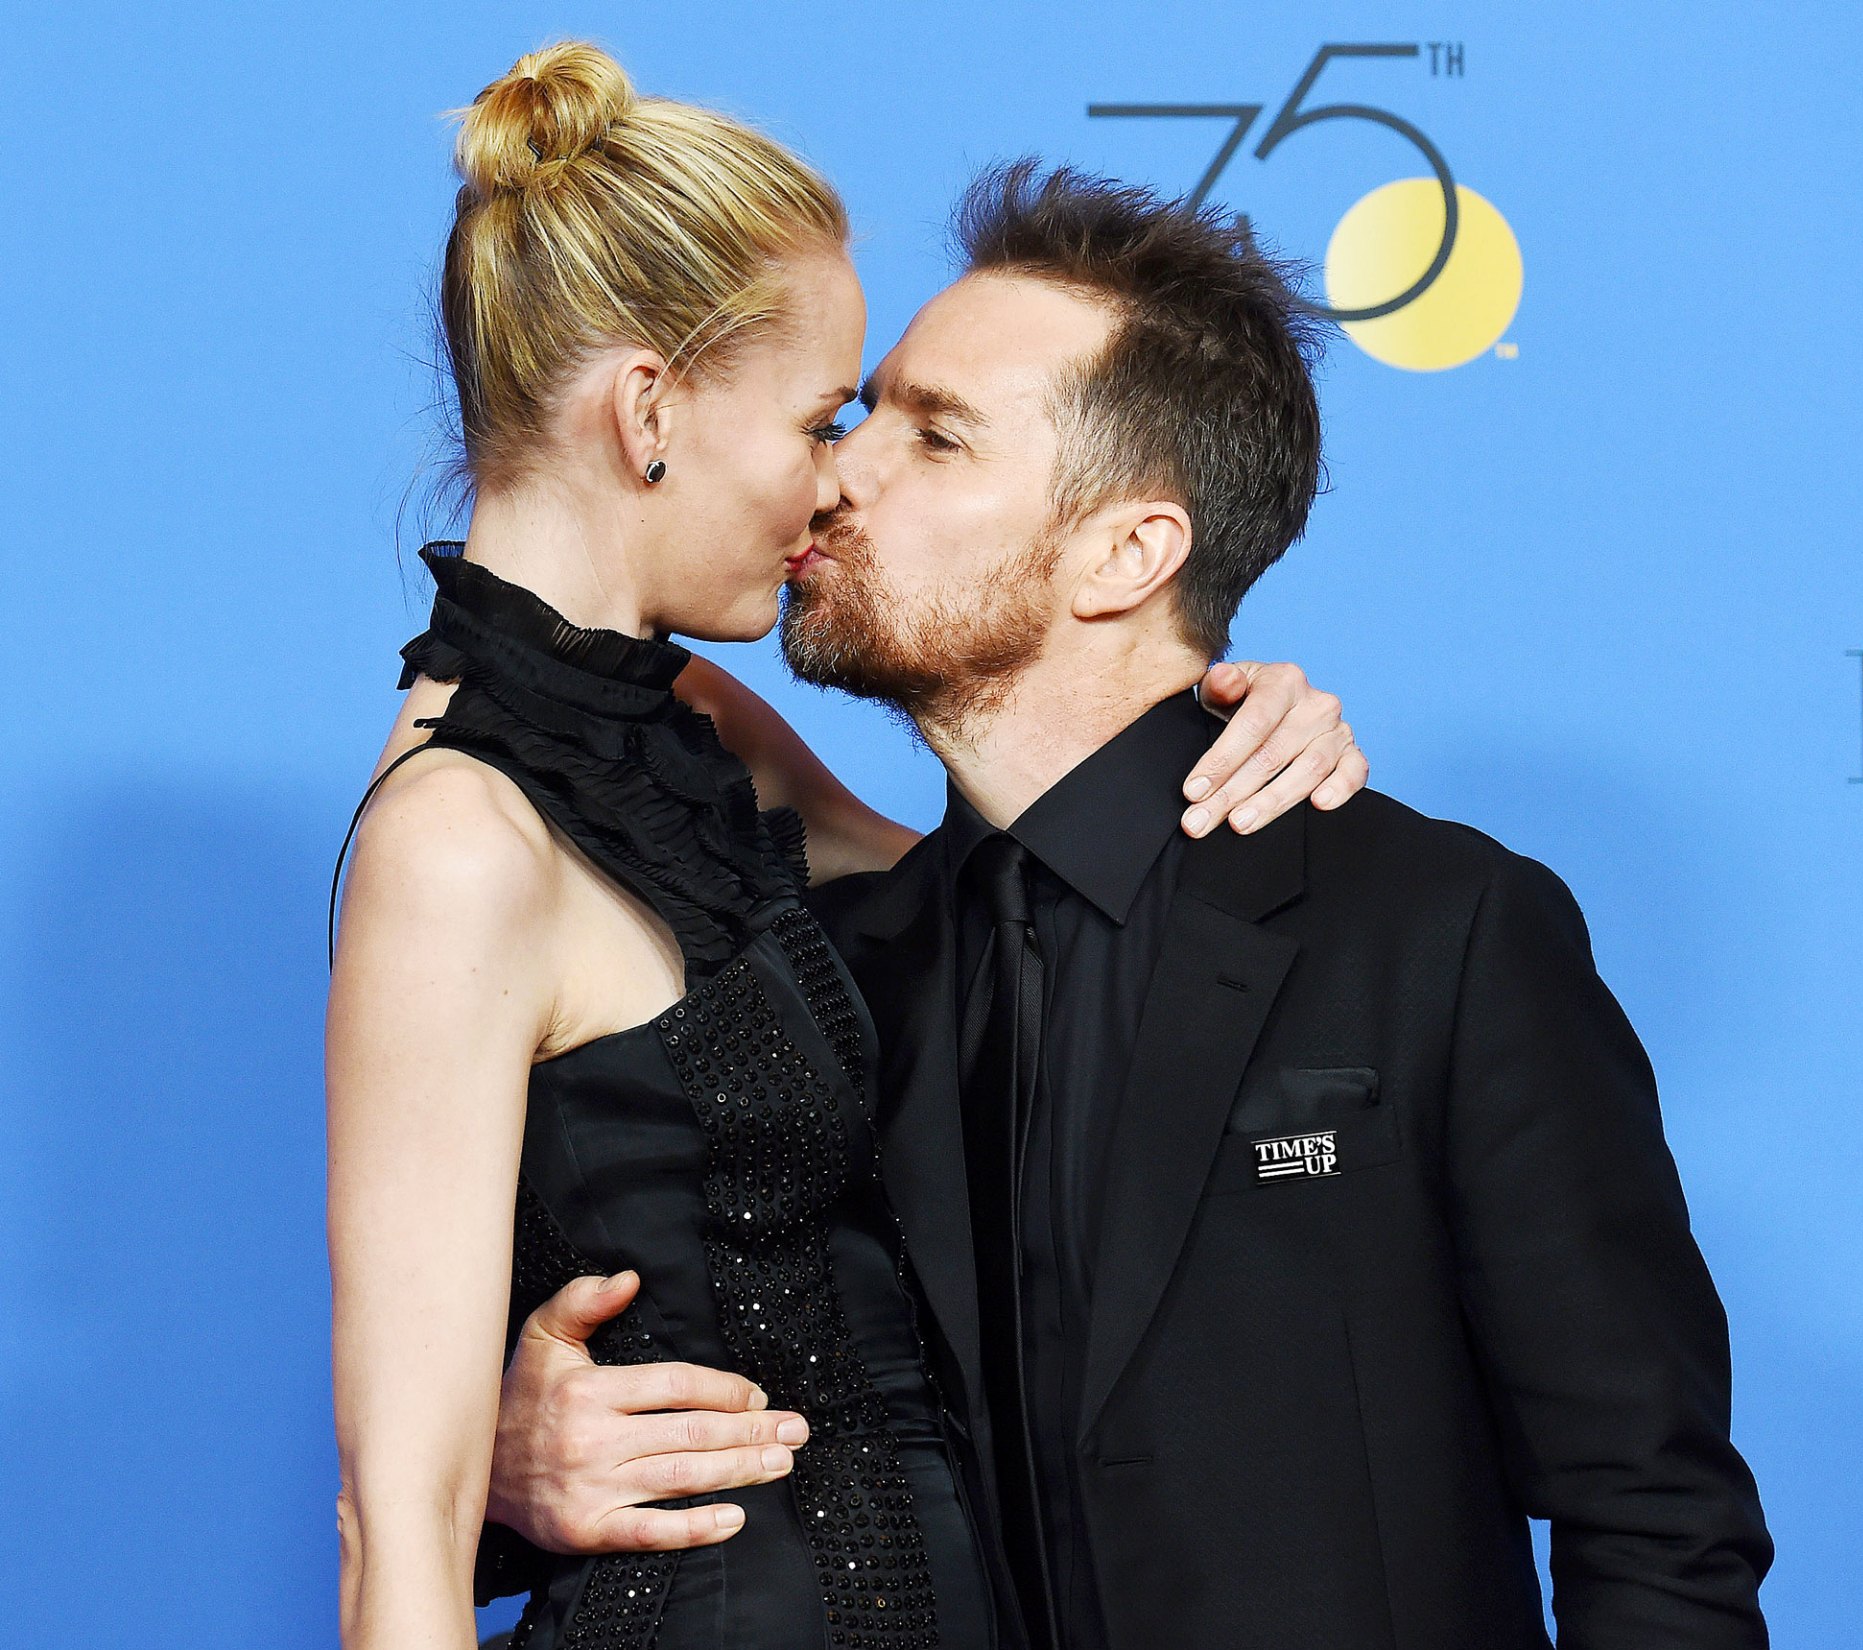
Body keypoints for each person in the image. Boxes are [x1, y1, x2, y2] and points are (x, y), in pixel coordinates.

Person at [488, 164, 1775, 1649]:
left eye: (936, 436)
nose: (838, 476)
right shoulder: (824, 982)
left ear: (1128, 553)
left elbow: (1657, 1523)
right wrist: (503, 1465)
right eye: (859, 416)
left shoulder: (1438, 932)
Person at [326, 45, 1365, 1650]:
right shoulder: (454, 838)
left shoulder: (683, 730)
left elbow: (1005, 886)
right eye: (822, 422)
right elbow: (392, 1524)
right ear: (649, 412)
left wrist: (1219, 722)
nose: (836, 487)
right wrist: (485, 1461)